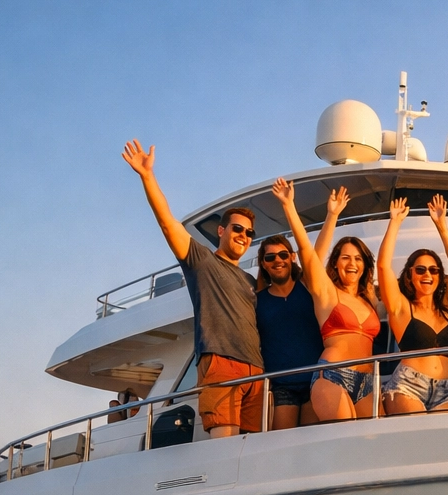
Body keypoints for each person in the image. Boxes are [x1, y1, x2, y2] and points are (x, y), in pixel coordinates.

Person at [122, 140, 264, 437]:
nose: (244, 235)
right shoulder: (202, 261)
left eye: (249, 233)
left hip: (257, 371)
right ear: (221, 231)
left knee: (254, 450)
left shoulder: (250, 280)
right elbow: (167, 224)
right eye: (237, 228)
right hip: (221, 363)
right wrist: (148, 177)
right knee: (224, 449)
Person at [270, 180, 382, 421]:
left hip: (368, 383)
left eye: (358, 259)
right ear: (335, 263)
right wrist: (292, 206)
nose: (352, 264)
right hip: (333, 376)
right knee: (347, 443)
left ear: (364, 265)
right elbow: (308, 255)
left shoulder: (368, 299)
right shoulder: (328, 294)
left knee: (374, 445)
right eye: (345, 258)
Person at [376, 195, 448, 414]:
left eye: (434, 270)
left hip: (446, 389)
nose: (428, 274)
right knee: (415, 444)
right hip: (408, 386)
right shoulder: (402, 308)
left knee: (445, 445)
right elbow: (383, 267)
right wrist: (395, 223)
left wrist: (442, 226)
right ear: (410, 276)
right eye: (420, 269)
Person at [254, 234, 324, 429]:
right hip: (281, 385)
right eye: (270, 257)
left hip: (315, 380)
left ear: (292, 257)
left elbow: (314, 255)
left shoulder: (308, 288)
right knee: (282, 445)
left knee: (311, 444)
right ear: (264, 264)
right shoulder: (257, 301)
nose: (278, 260)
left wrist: (331, 215)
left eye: (283, 255)